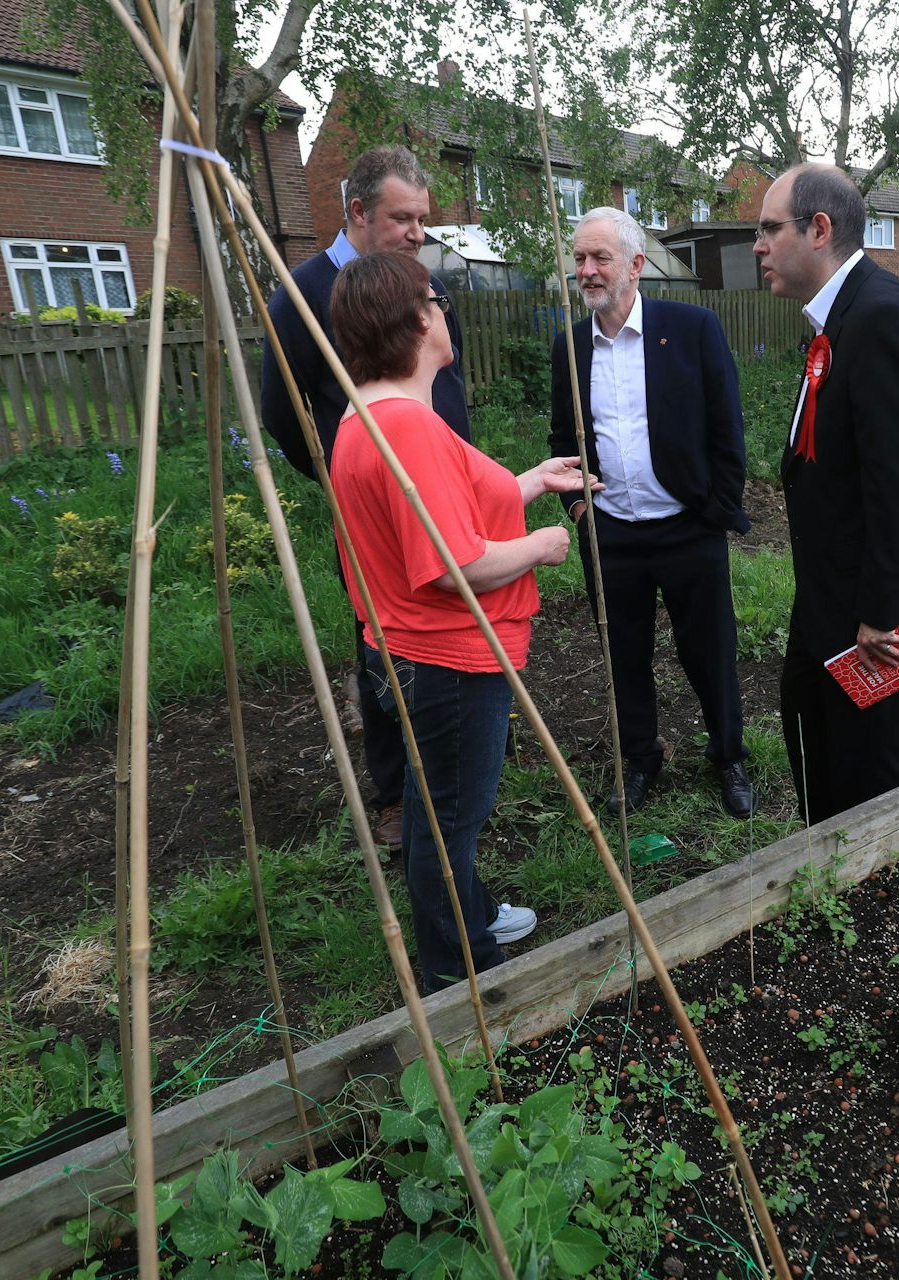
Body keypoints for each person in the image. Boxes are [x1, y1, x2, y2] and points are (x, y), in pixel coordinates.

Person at [327, 251, 592, 992]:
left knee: (431, 806)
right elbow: (452, 564)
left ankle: (469, 920)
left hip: (404, 653)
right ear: (418, 318)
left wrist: (530, 482)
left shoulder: (368, 414)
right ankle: (461, 974)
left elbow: (436, 512)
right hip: (447, 660)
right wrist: (542, 545)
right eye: (438, 300)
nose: (446, 313)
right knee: (449, 824)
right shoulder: (407, 426)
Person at [752, 164, 899, 825]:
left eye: (770, 228)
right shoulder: (842, 314)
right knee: (813, 738)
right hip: (828, 591)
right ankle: (825, 873)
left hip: (869, 614)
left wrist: (881, 618)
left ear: (820, 228)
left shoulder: (880, 316)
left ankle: (866, 894)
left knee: (863, 774)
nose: (758, 245)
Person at [258, 145, 468, 848]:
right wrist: (346, 476)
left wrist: (461, 465)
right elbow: (285, 413)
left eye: (422, 220)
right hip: (374, 507)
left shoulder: (424, 286)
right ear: (357, 211)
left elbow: (450, 384)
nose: (417, 233)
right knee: (385, 640)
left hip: (445, 487)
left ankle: (459, 752)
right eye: (402, 218)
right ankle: (394, 790)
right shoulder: (304, 295)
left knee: (458, 614)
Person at [548, 207, 756, 819]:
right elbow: (565, 436)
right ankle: (641, 757)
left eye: (599, 258)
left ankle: (729, 756)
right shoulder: (570, 344)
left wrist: (719, 508)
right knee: (623, 653)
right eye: (580, 259)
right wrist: (579, 507)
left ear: (635, 266)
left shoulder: (691, 328)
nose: (586, 271)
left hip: (687, 526)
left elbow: (727, 427)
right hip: (611, 533)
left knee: (710, 649)